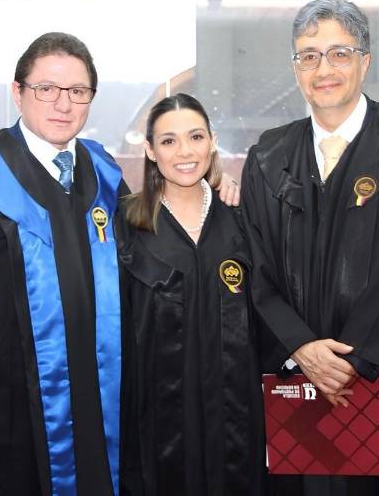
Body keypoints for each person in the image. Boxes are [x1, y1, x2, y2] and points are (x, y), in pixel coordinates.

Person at [241, 0, 379, 496]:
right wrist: (301, 347)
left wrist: (350, 361)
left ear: (366, 60)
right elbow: (256, 265)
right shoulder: (266, 157)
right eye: (309, 55)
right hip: (297, 379)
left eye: (339, 53)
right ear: (295, 68)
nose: (324, 69)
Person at [0, 32, 129, 496]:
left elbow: (145, 260)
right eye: (46, 89)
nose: (63, 104)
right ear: (18, 91)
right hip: (3, 412)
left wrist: (214, 190)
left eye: (78, 92)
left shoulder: (105, 173)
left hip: (96, 402)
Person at [119, 93, 265, 496]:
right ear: (149, 150)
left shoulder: (243, 218)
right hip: (154, 416)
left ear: (212, 141)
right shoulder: (126, 224)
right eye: (168, 141)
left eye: (196, 137)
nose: (184, 152)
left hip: (236, 414)